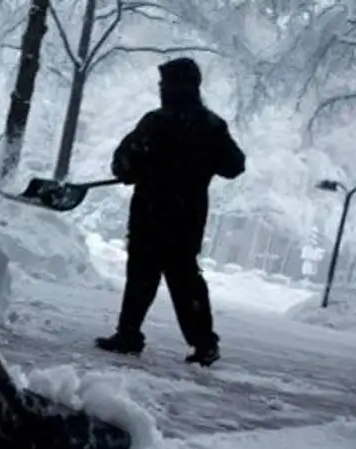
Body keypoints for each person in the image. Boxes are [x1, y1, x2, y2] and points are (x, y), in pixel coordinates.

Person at [95, 57, 246, 366]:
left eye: (165, 83)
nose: (162, 89)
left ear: (180, 86)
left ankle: (129, 335)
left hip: (150, 212)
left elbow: (124, 161)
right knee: (185, 279)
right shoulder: (211, 126)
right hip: (187, 217)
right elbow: (234, 165)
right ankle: (203, 343)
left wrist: (136, 169)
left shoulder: (155, 122)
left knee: (141, 276)